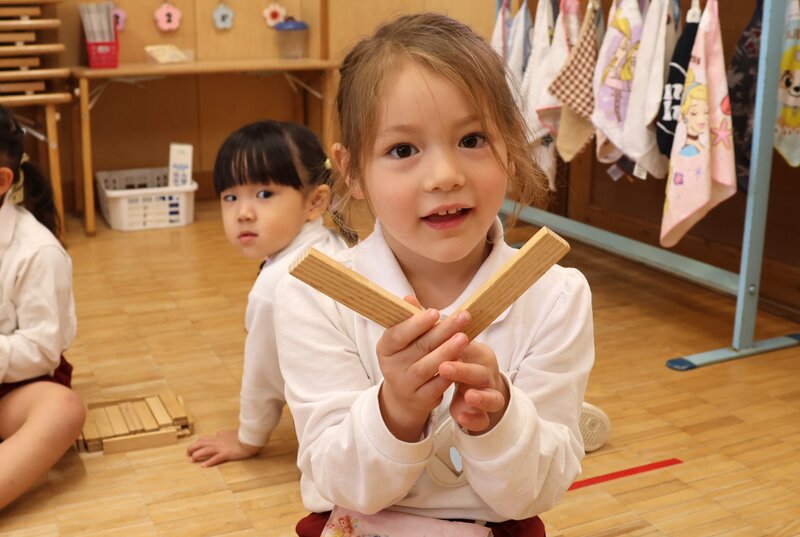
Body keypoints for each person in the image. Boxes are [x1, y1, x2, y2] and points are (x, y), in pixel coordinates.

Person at [274, 13, 595, 536]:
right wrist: (396, 409)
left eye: (473, 139)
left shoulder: (555, 296)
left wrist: (501, 418)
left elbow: (537, 492)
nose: (445, 176)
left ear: (513, 147)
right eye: (402, 150)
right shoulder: (315, 298)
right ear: (352, 171)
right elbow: (339, 480)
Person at [186, 120, 347, 467]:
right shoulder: (335, 245)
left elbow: (264, 373)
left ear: (315, 201)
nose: (243, 213)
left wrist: (248, 438)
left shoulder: (277, 285)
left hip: (345, 440)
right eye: (230, 197)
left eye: (264, 194)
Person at [0, 106, 85, 509]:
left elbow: (41, 349)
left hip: (17, 384)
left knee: (63, 410)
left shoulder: (37, 252)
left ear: (2, 181)